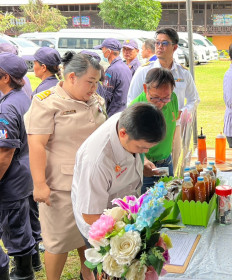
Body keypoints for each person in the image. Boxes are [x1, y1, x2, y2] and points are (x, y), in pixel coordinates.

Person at [24, 52, 107, 280]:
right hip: (61, 187)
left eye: (96, 82)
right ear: (71, 77)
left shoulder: (96, 100)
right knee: (58, 241)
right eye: (90, 82)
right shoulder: (46, 102)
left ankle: (86, 275)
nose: (94, 88)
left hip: (92, 184)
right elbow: (37, 145)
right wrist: (40, 185)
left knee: (88, 237)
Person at [71, 102, 166, 242]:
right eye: (142, 147)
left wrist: (142, 161)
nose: (146, 152)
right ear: (122, 133)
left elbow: (136, 147)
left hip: (125, 214)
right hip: (102, 227)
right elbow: (91, 216)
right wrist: (126, 235)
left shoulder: (128, 122)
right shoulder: (97, 162)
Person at [127, 28, 200, 174]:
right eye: (157, 43)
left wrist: (183, 111)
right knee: (149, 166)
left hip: (174, 126)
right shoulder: (144, 71)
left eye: (164, 43)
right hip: (148, 126)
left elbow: (194, 98)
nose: (159, 47)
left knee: (171, 164)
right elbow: (131, 101)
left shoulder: (183, 73)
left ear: (174, 47)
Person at [0, 53, 41, 280]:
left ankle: (23, 274)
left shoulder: (7, 107)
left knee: (14, 230)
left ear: (6, 78)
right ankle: (27, 268)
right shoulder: (23, 97)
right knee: (21, 224)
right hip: (25, 174)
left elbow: (4, 153)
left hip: (11, 178)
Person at [130, 68, 178, 193]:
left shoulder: (173, 99)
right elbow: (130, 144)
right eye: (155, 98)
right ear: (145, 89)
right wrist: (143, 161)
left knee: (169, 202)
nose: (160, 103)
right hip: (146, 167)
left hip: (167, 162)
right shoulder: (135, 110)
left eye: (165, 98)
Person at [94, 38, 132, 117]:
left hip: (113, 114)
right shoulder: (125, 67)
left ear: (108, 51)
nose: (102, 52)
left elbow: (105, 97)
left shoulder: (112, 70)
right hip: (123, 112)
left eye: (102, 49)